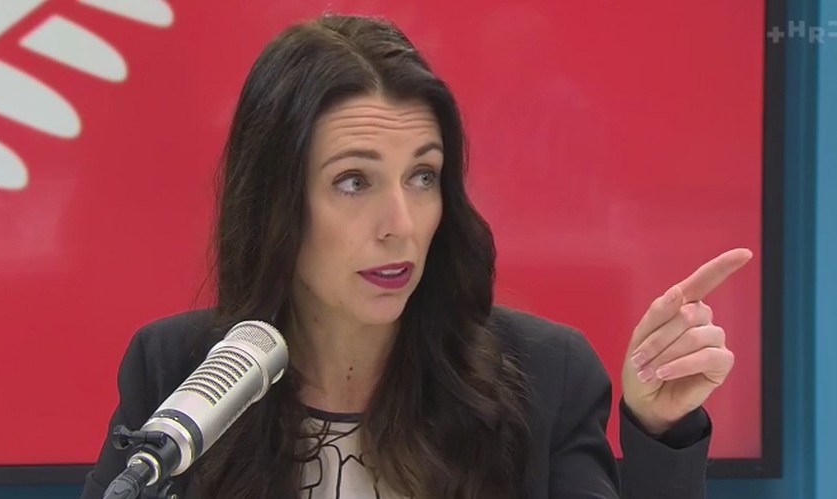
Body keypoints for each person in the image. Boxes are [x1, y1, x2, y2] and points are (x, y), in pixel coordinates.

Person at [81, 13, 752, 499]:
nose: (400, 224)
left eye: (422, 176)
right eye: (355, 181)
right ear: (275, 202)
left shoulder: (545, 376)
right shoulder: (176, 371)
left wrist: (658, 428)